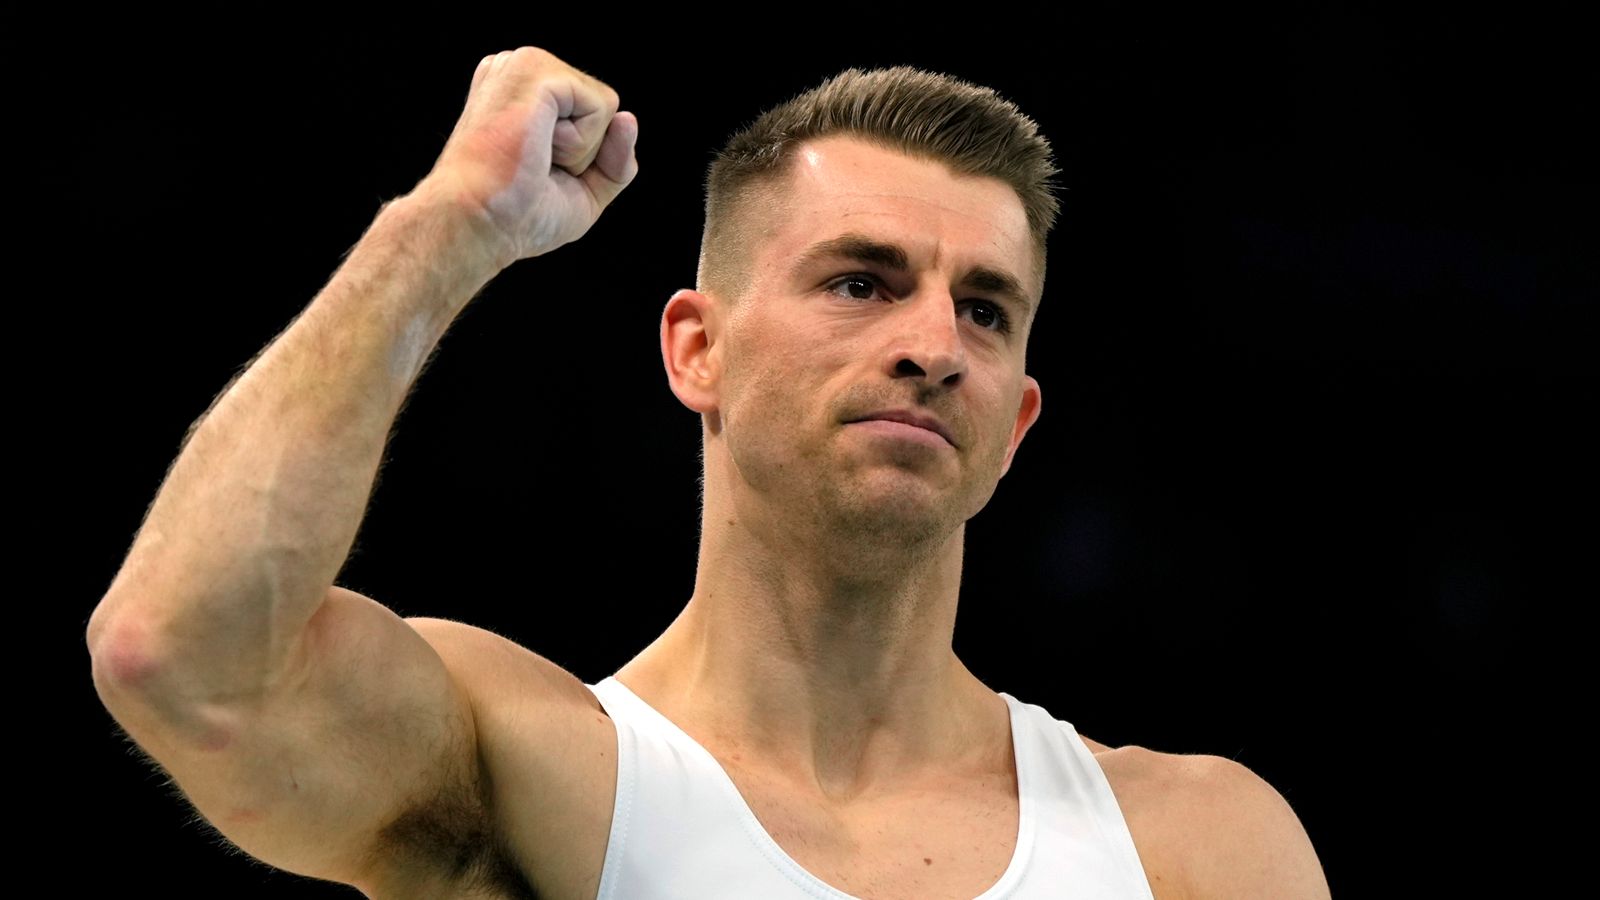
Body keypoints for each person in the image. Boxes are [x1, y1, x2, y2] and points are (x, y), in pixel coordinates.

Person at [86, 46, 1331, 899]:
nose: (934, 346)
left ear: (1016, 424)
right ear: (698, 351)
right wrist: (447, 224)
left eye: (988, 312)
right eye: (863, 282)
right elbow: (178, 654)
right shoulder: (533, 769)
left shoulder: (1200, 849)